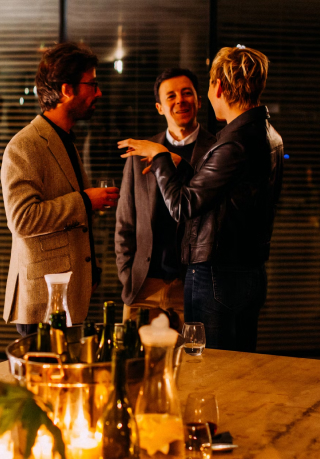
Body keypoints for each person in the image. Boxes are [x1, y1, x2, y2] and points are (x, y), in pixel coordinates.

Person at [118, 47, 283, 352]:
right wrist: (184, 166)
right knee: (235, 363)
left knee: (210, 368)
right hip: (243, 272)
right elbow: (228, 198)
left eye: (200, 88)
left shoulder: (232, 143)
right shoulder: (267, 134)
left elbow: (183, 206)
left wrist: (161, 157)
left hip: (218, 276)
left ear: (217, 87)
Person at [1, 42, 119, 337]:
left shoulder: (65, 138)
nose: (99, 93)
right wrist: (85, 201)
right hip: (42, 302)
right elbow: (22, 219)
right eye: (92, 84)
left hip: (68, 295)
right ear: (67, 90)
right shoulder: (25, 145)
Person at [115, 68, 216, 330]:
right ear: (160, 108)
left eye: (187, 93)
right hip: (143, 286)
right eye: (171, 96)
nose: (180, 100)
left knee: (193, 357)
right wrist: (127, 276)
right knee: (133, 356)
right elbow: (125, 223)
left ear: (199, 101)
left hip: (191, 285)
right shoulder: (141, 152)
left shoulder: (216, 150)